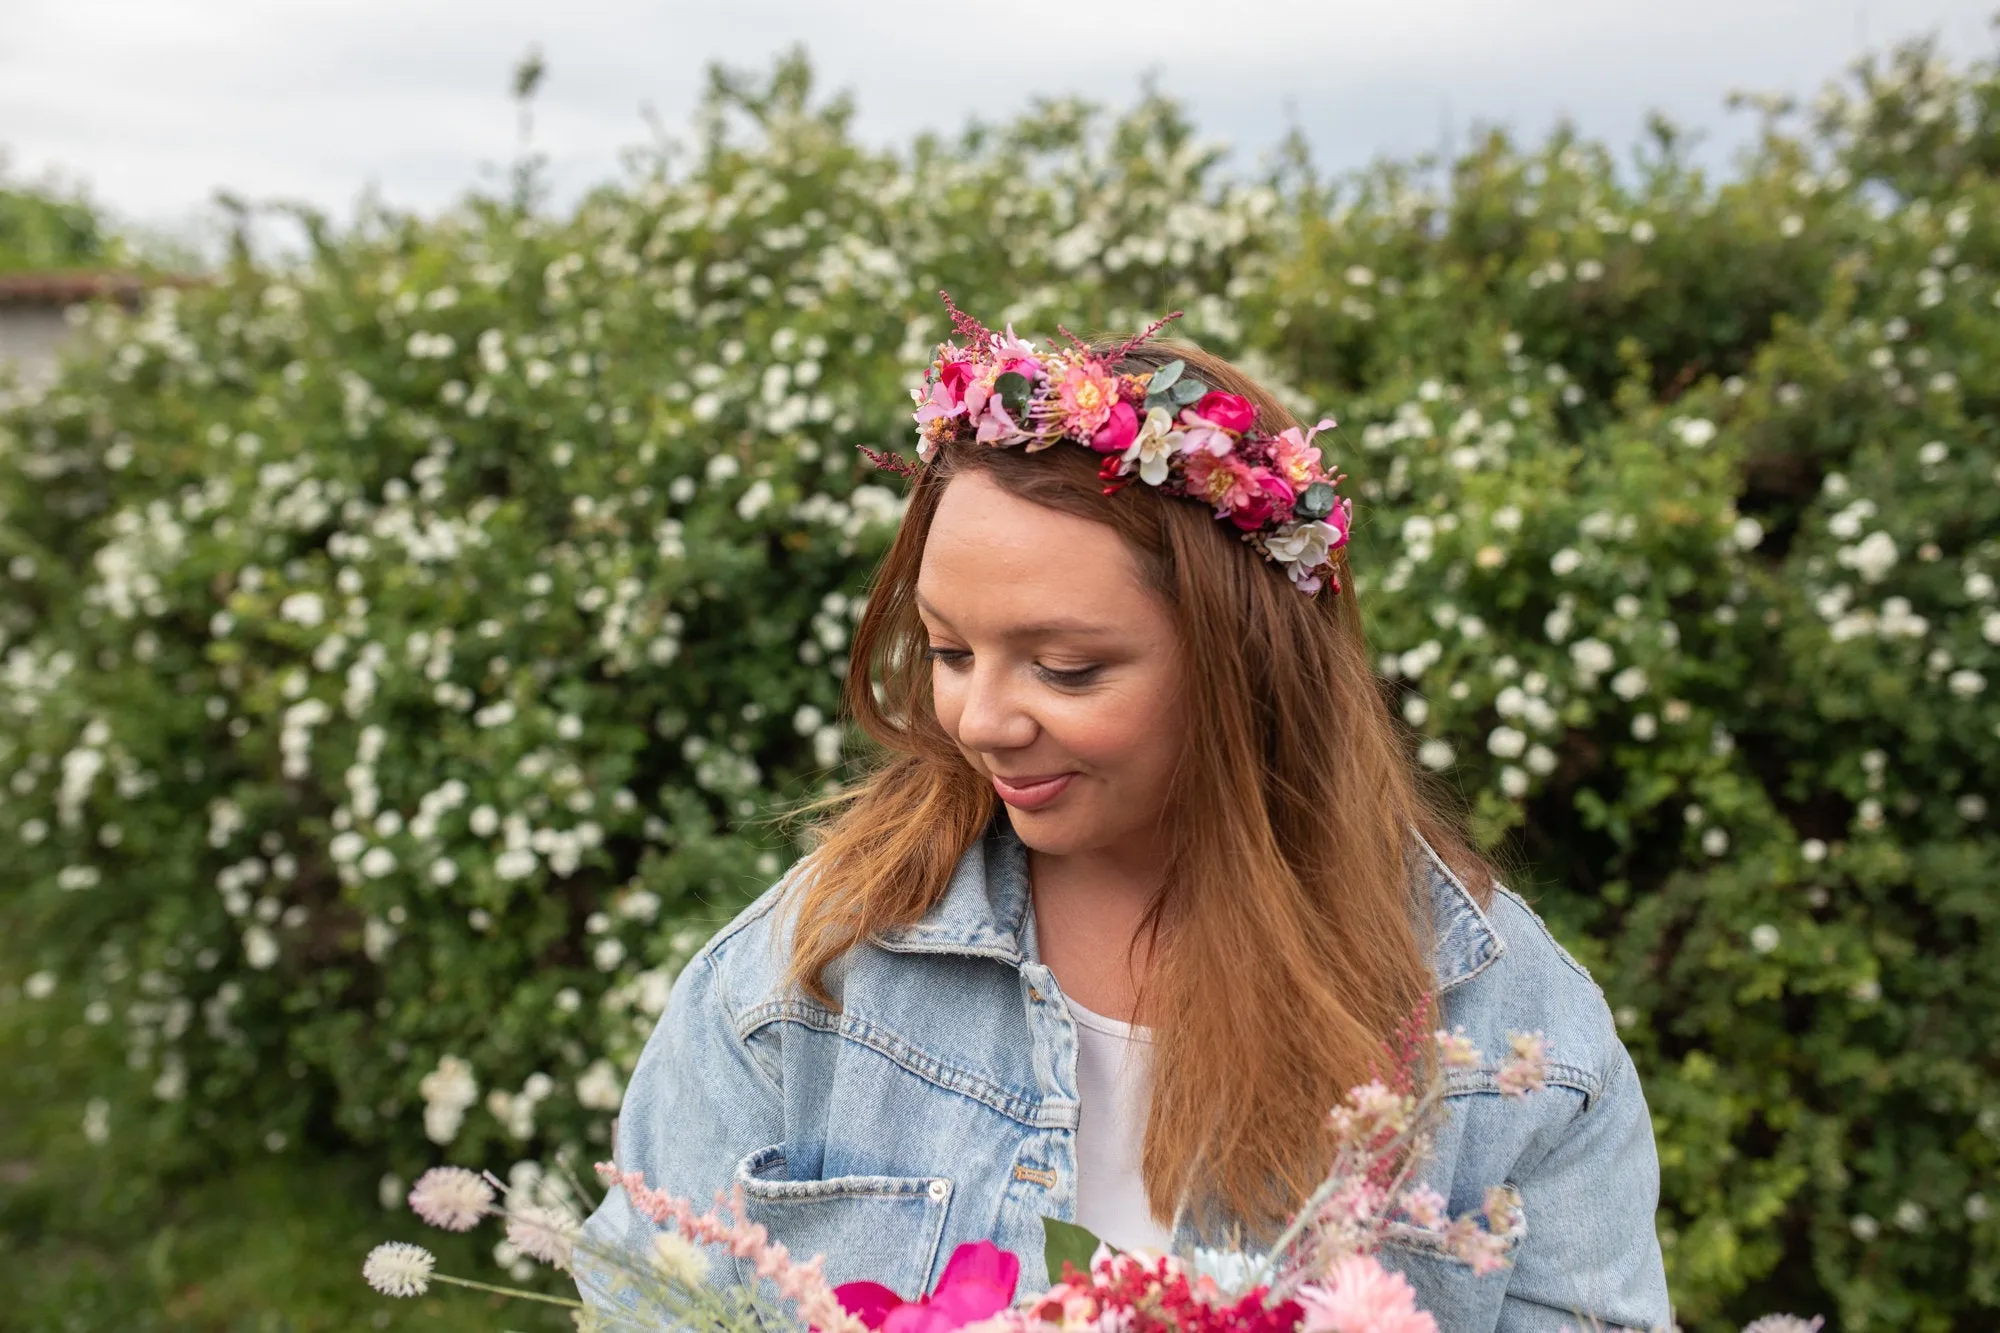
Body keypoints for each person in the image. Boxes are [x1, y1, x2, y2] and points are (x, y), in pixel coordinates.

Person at [579, 305, 1672, 1332]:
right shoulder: (810, 968)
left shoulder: (1503, 1037)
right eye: (949, 651)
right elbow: (637, 1301)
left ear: (1244, 664)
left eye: (1063, 668)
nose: (979, 719)